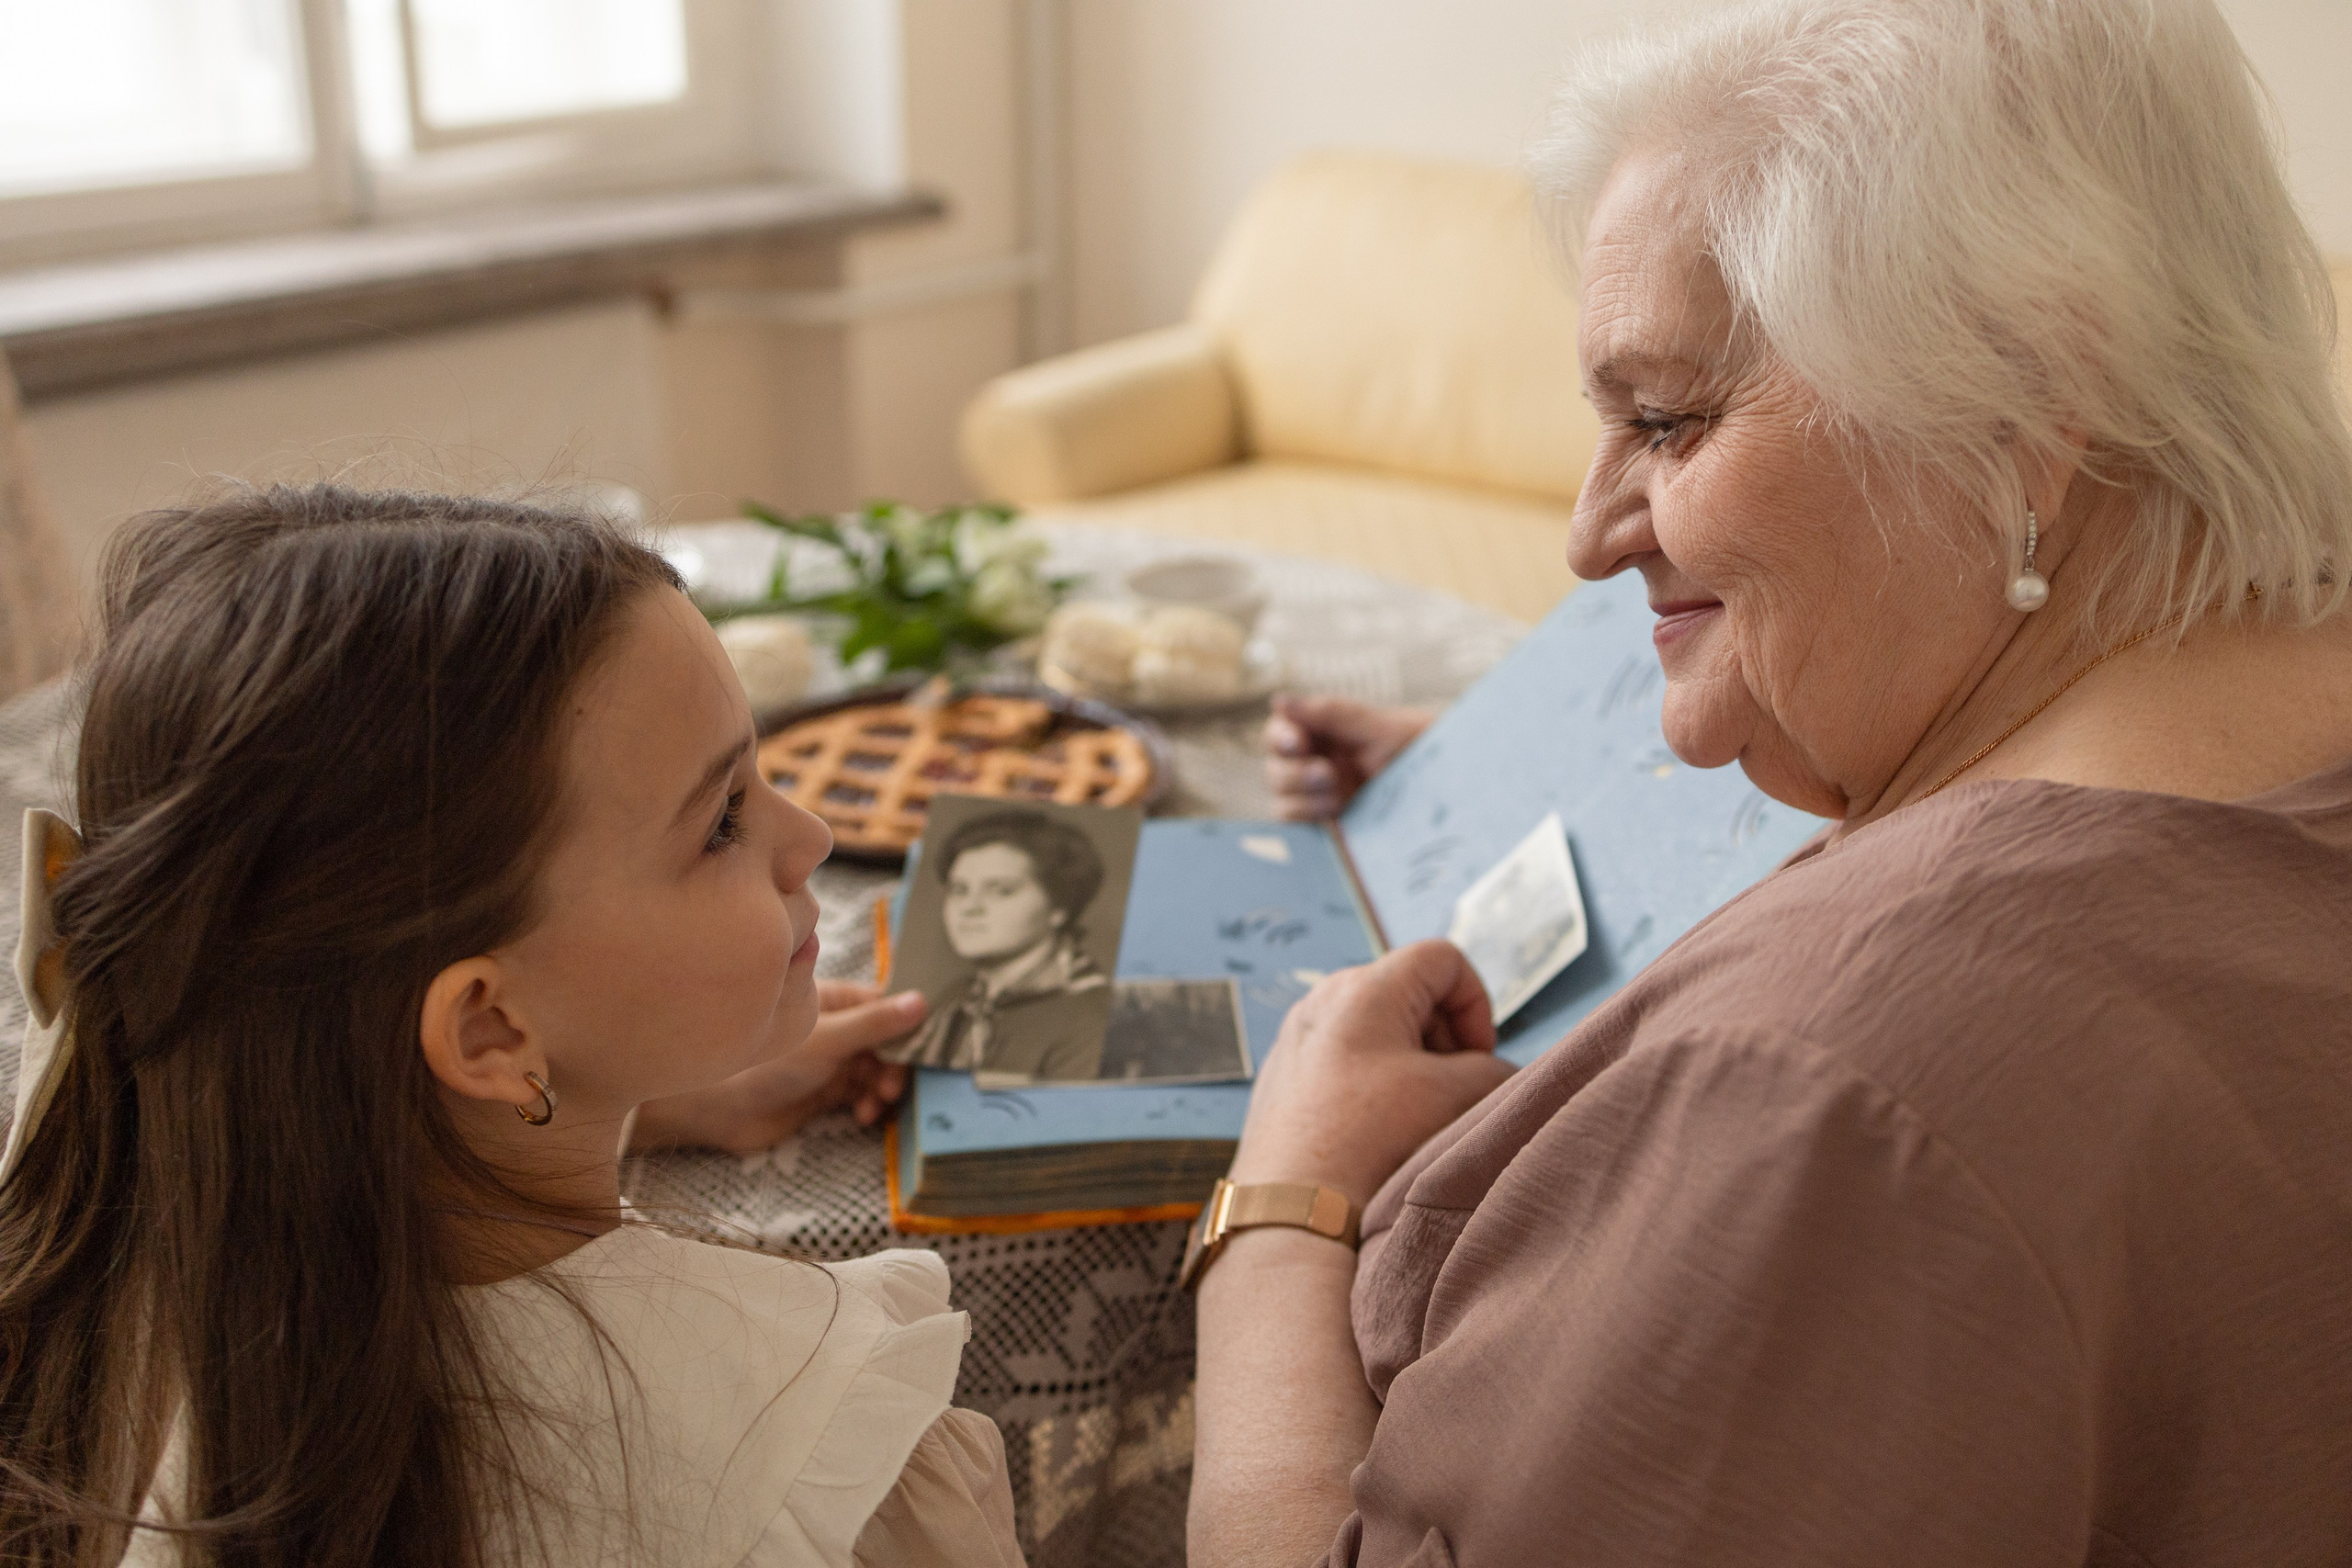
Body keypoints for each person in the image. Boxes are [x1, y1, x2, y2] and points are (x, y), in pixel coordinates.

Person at [1198, 2, 2352, 1564]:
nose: (1592, 532)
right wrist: (1493, 759)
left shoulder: (1826, 1102)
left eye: (1664, 419)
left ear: (2022, 413)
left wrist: (1282, 1209)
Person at [0, 485, 1023, 1567]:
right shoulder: (810, 1463)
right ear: (485, 1034)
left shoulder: (100, 1173)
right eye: (721, 820)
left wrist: (621, 1088)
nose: (809, 835)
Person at [895, 811, 1111, 1081]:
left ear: (1059, 907)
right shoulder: (957, 1001)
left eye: (1001, 891)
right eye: (959, 890)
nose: (970, 908)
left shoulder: (1094, 1017)